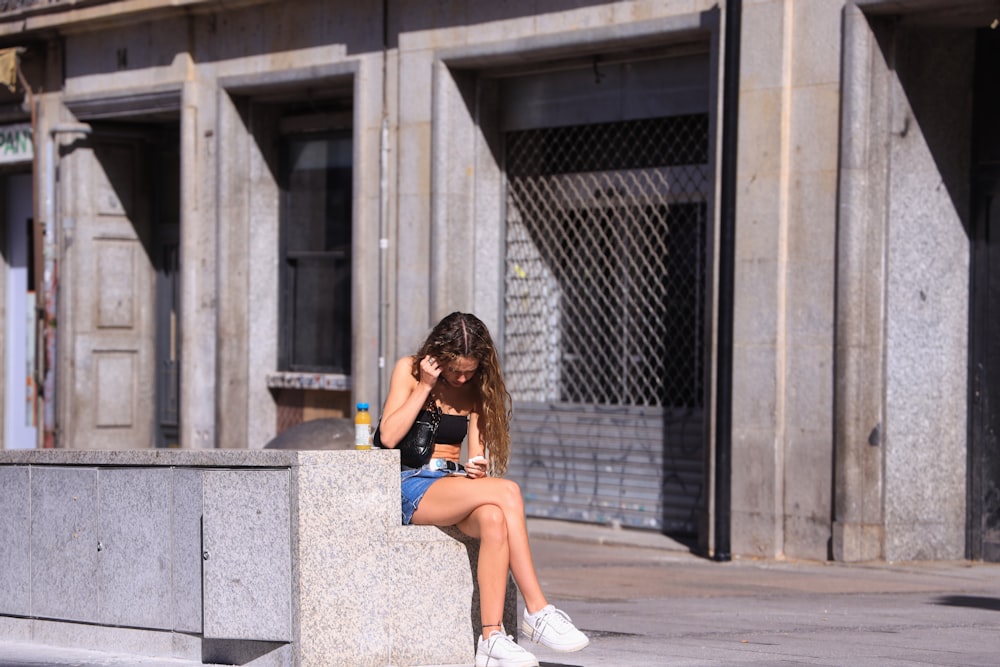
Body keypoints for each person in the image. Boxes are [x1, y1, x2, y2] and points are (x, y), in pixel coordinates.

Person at [377, 312, 589, 667]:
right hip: (409, 481)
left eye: (469, 371)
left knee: (492, 517)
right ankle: (537, 610)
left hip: (452, 483)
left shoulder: (476, 389)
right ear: (437, 357)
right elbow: (389, 436)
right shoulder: (409, 370)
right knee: (509, 492)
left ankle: (491, 639)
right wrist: (426, 385)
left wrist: (477, 466)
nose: (461, 377)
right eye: (455, 370)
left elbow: (475, 454)